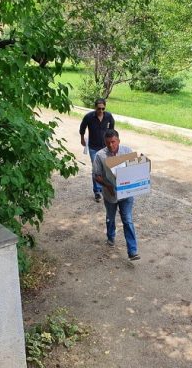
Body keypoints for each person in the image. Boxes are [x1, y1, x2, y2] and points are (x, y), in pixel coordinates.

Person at [92, 129, 140, 261]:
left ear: (118, 140)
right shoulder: (100, 155)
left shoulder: (127, 151)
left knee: (128, 220)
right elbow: (97, 176)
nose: (111, 145)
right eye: (108, 143)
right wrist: (108, 186)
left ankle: (132, 251)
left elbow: (134, 170)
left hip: (126, 193)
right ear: (104, 142)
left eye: (113, 142)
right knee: (111, 218)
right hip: (110, 194)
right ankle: (111, 236)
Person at [79, 98, 115, 202]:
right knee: (96, 169)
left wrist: (112, 143)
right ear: (95, 108)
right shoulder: (89, 117)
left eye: (103, 109)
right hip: (93, 147)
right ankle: (97, 191)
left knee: (107, 167)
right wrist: (82, 139)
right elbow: (82, 128)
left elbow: (112, 131)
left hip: (105, 147)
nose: (101, 111)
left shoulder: (108, 116)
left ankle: (107, 187)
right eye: (99, 108)